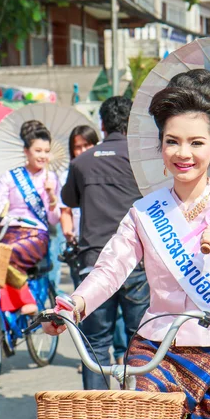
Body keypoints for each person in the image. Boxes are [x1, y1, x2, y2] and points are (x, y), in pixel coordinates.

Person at [46, 70, 210, 419]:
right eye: (172, 141)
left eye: (196, 143)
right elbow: (111, 268)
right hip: (156, 351)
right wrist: (74, 304)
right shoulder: (145, 211)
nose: (183, 154)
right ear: (160, 146)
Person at [61, 96, 149, 389]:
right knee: (140, 343)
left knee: (96, 344)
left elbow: (69, 200)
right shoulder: (142, 163)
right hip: (136, 262)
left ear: (102, 124)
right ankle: (140, 414)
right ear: (130, 124)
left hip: (94, 263)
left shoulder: (82, 162)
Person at [0, 121, 60, 378]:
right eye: (38, 150)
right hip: (9, 232)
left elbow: (53, 221)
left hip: (35, 236)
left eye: (46, 151)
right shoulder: (10, 177)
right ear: (26, 151)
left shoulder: (52, 179)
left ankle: (27, 302)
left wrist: (51, 198)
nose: (43, 156)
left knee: (3, 256)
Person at [59, 124, 99, 288]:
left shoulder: (105, 170)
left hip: (103, 242)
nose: (83, 151)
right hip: (79, 245)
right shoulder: (66, 175)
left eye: (87, 145)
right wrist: (68, 232)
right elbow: (65, 210)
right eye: (77, 147)